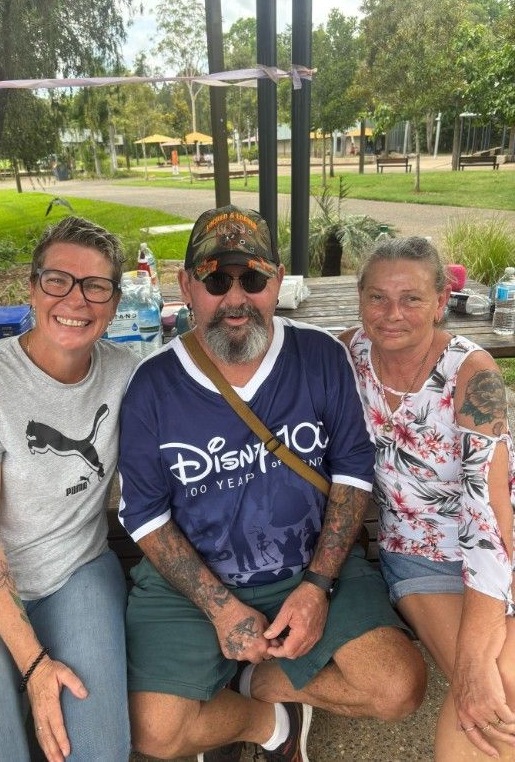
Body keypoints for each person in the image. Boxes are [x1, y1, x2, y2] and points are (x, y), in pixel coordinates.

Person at [118, 205, 427, 762]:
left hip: (308, 566)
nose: (235, 299)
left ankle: (248, 685)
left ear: (278, 282)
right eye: (215, 279)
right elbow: (143, 513)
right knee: (154, 733)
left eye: (253, 278)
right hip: (193, 585)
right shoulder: (152, 385)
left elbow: (353, 470)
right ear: (186, 286)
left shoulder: (319, 356)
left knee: (399, 688)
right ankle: (268, 722)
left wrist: (316, 587)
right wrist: (218, 608)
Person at [0, 216, 139, 762]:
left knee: (97, 751)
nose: (76, 300)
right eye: (57, 280)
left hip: (77, 569)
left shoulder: (127, 372)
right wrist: (35, 664)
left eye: (96, 286)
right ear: (32, 287)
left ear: (114, 303)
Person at [340, 236, 515, 760]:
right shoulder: (347, 355)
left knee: (493, 678)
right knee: (499, 690)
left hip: (498, 537)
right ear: (361, 299)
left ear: (441, 302)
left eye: (412, 298)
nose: (392, 314)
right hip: (420, 552)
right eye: (378, 297)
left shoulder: (471, 373)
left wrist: (471, 660)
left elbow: (486, 513)